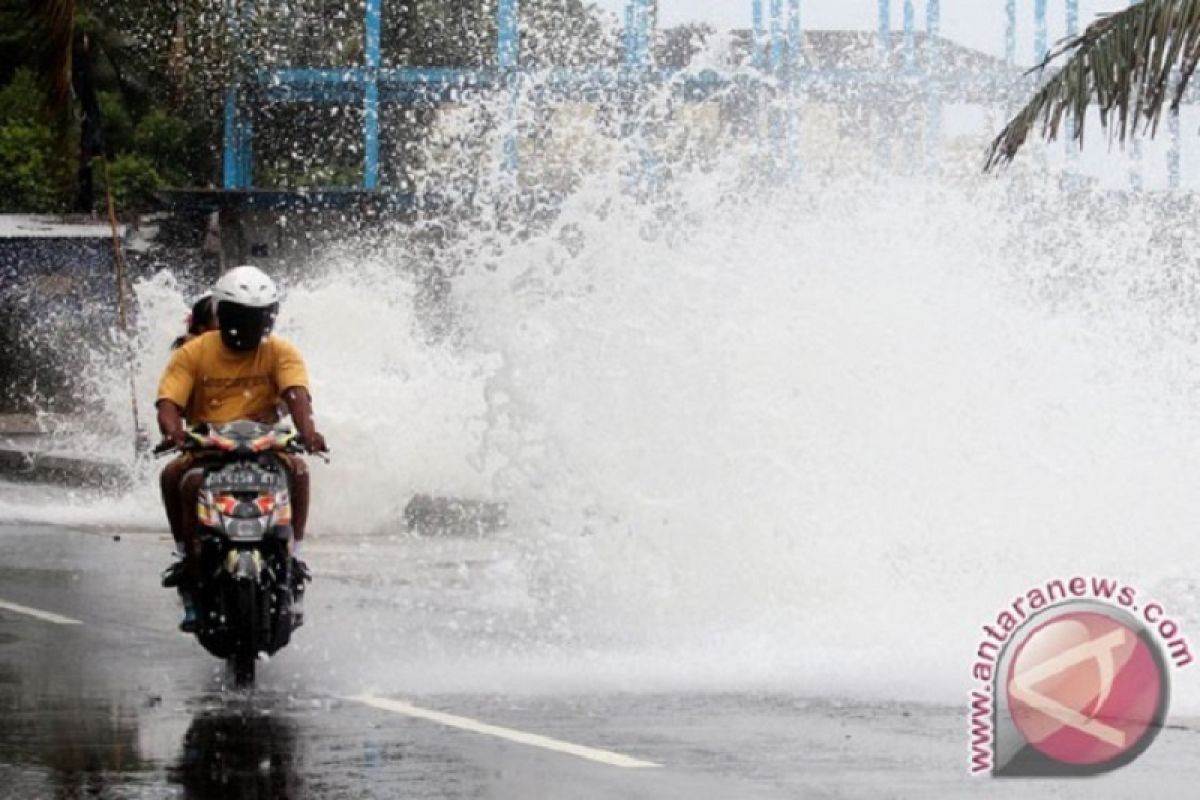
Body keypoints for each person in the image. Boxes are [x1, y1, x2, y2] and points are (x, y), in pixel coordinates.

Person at [156, 265, 327, 631]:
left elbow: (297, 395)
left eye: (259, 318)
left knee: (298, 471)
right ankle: (188, 561)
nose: (250, 327)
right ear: (223, 313)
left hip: (265, 446)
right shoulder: (193, 353)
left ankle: (293, 558)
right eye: (242, 318)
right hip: (207, 449)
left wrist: (308, 432)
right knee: (177, 479)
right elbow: (169, 401)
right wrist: (173, 432)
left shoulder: (281, 352)